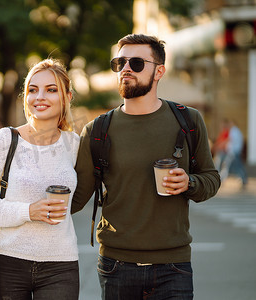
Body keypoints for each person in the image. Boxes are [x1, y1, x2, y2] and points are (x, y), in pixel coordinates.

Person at [72, 34, 221, 299]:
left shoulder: (188, 120)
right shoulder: (96, 130)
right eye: (120, 63)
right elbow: (76, 197)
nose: (126, 68)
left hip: (173, 266)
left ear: (159, 71)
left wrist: (189, 183)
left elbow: (210, 179)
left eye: (137, 63)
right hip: (116, 265)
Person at [0, 58, 80, 299]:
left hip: (61, 264)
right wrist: (29, 211)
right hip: (8, 261)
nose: (40, 96)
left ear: (67, 97)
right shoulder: (5, 139)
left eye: (51, 90)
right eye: (33, 89)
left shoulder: (74, 145)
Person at [219, 119, 248, 188]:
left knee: (227, 165)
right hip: (235, 151)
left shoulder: (234, 131)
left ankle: (221, 179)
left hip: (233, 152)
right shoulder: (237, 131)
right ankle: (243, 179)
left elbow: (229, 139)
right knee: (236, 166)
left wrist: (222, 144)